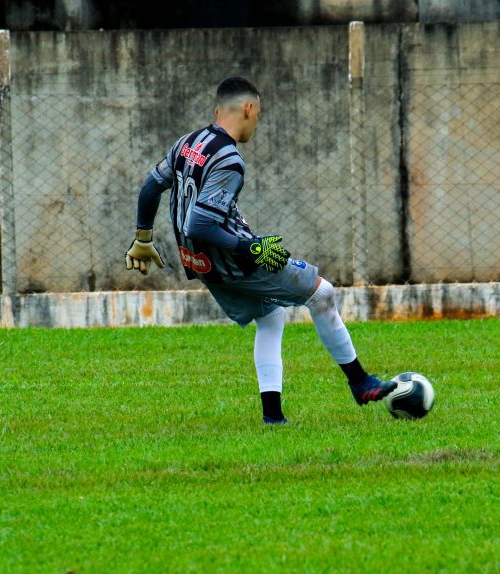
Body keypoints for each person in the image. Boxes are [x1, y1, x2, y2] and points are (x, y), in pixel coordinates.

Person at [125, 76, 396, 424]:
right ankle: (360, 382)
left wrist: (143, 238)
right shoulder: (230, 159)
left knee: (270, 316)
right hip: (234, 260)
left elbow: (151, 186)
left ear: (217, 110)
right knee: (322, 294)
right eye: (259, 113)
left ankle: (273, 416)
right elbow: (200, 224)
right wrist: (250, 248)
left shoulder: (187, 142)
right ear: (249, 109)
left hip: (200, 264)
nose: (257, 121)